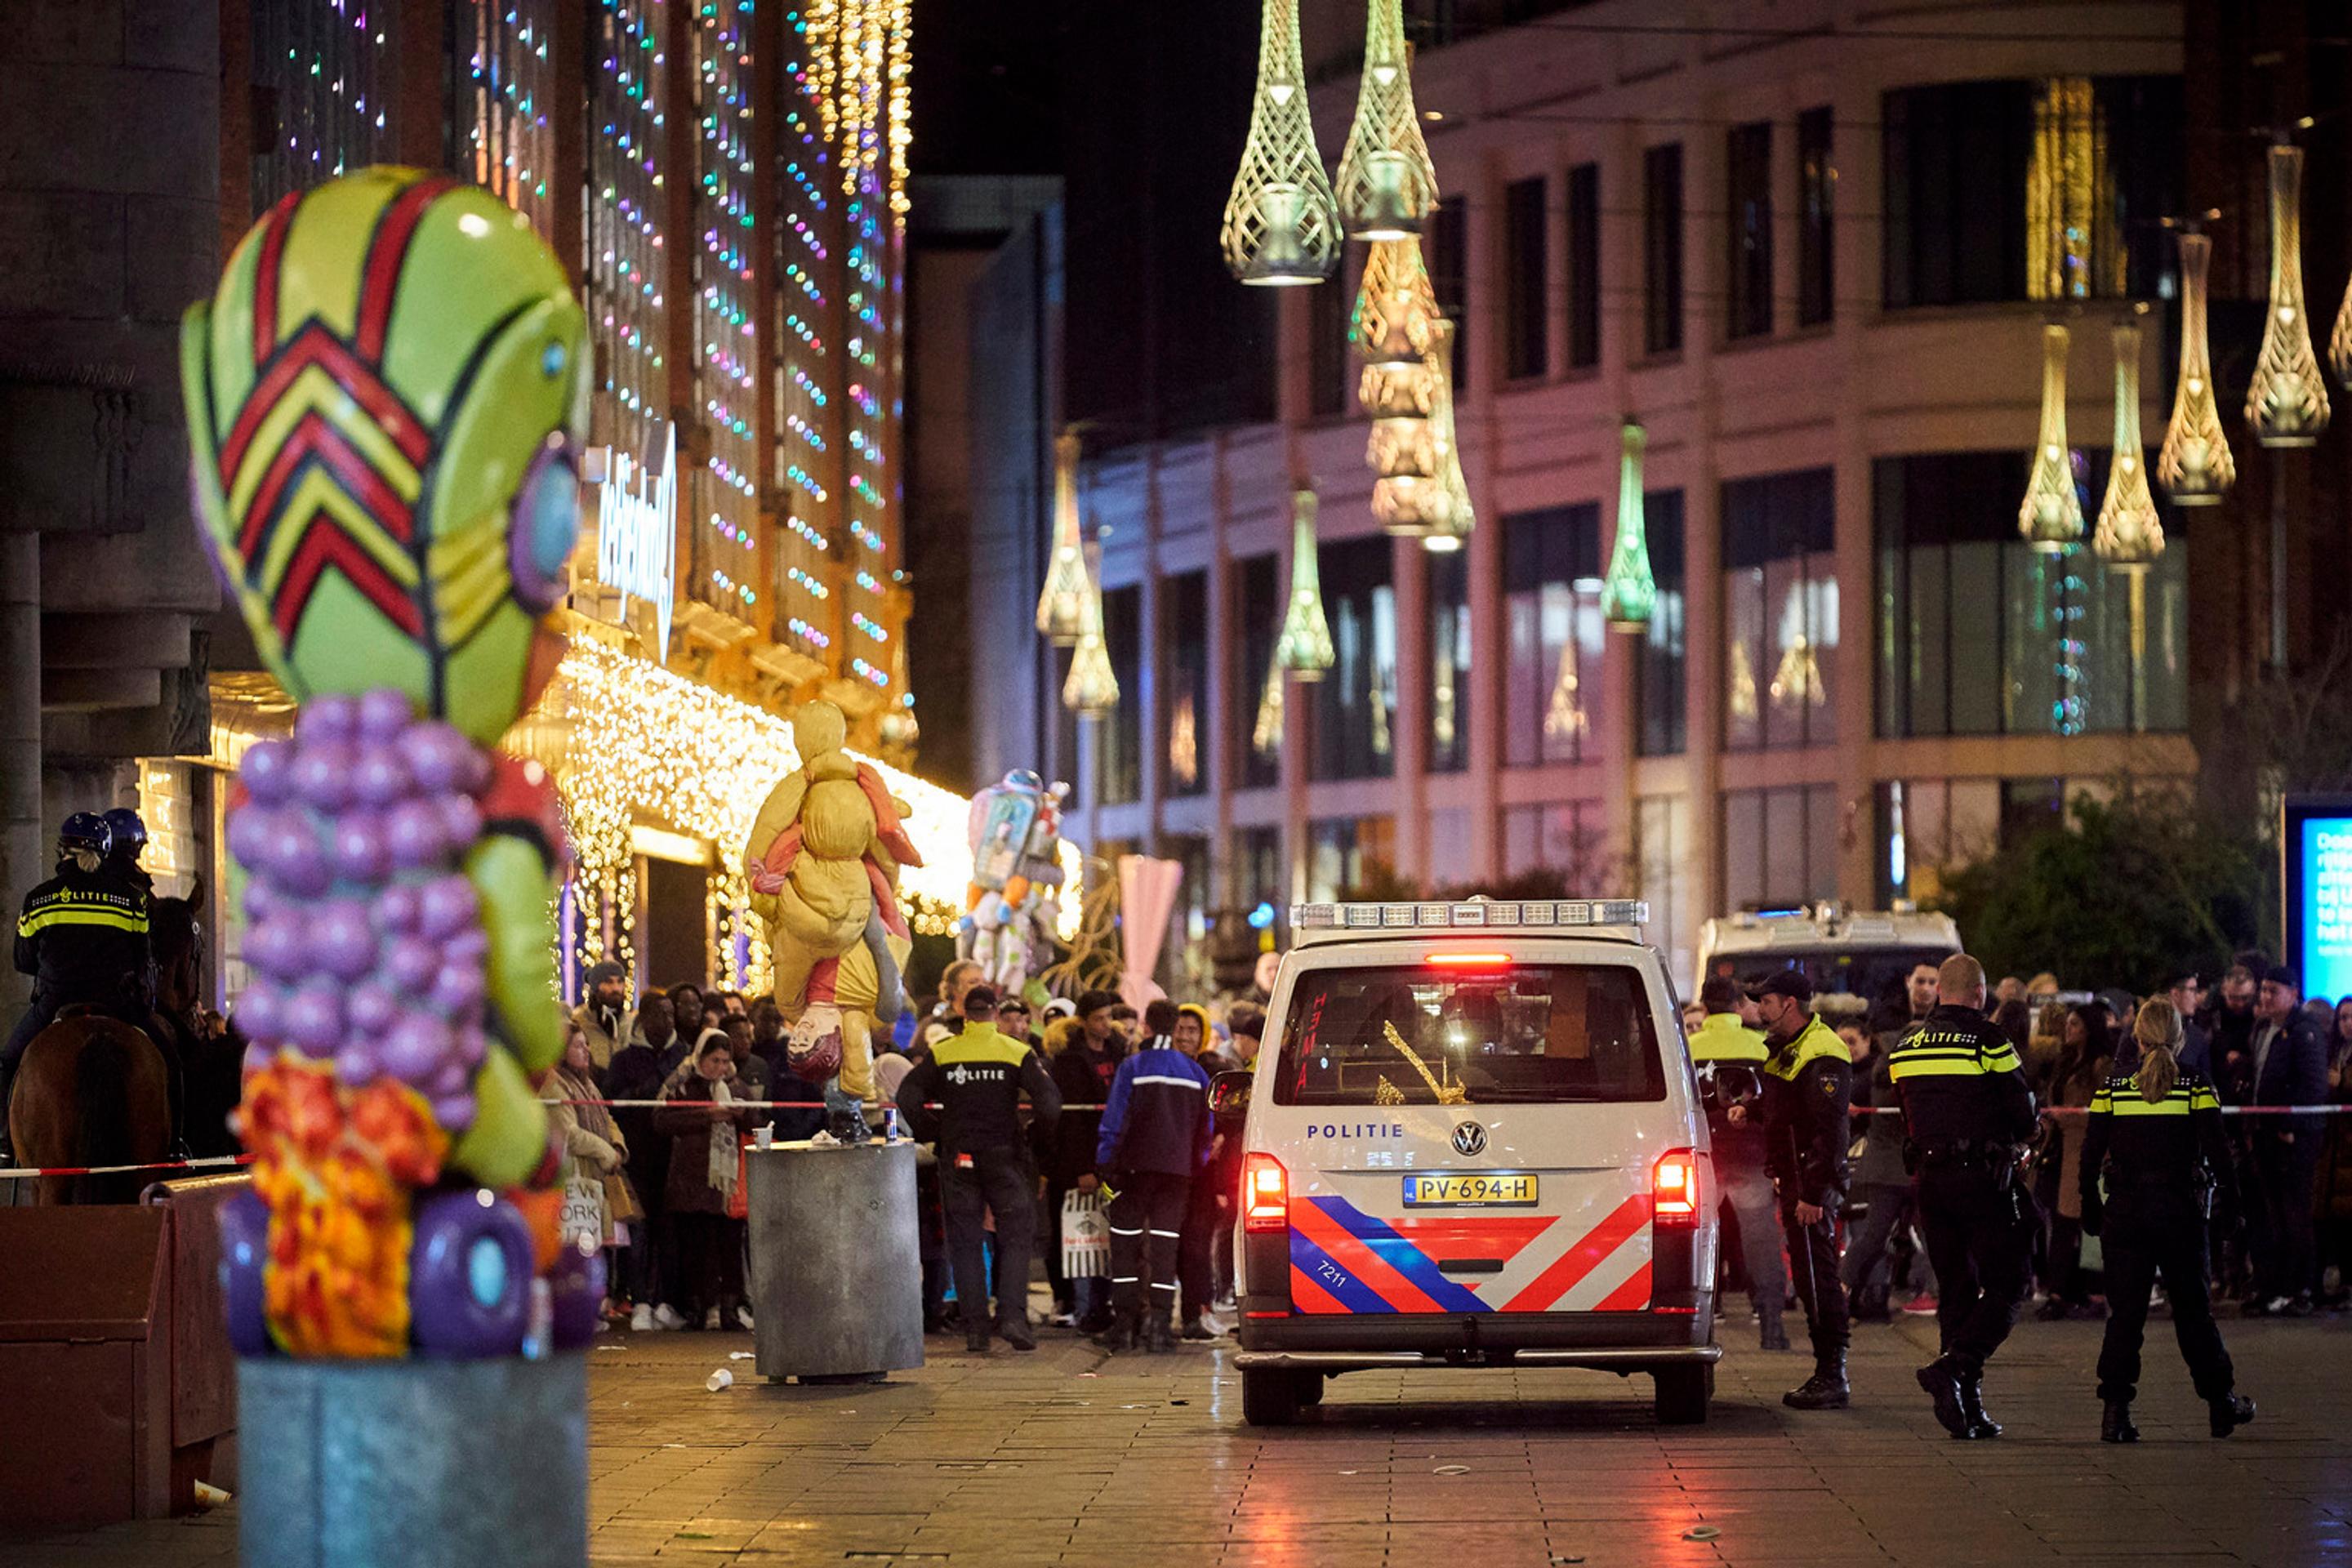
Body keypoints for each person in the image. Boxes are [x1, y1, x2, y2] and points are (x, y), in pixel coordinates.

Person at [2079, 998, 2256, 1443]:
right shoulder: (2196, 1086)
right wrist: (2233, 1210)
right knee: (2194, 1313)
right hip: (2180, 1214)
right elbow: (2220, 1153)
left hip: (2126, 1213)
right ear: (2180, 1039)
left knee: (2125, 1317)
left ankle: (2115, 1415)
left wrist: (2090, 1204)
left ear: (2136, 1038)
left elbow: (2090, 1153)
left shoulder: (2114, 1086)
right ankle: (2221, 1404)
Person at [1888, 955, 2040, 1441]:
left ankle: (1964, 1407)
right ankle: (1955, 1368)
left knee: (1955, 1288)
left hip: (1930, 1184)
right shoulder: (1992, 1041)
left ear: (1938, 992)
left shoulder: (1905, 1045)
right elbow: (2022, 1114)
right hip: (1983, 1180)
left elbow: (1908, 1107)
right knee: (2011, 1283)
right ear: (1980, 993)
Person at [896, 986, 1061, 1352]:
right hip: (1004, 1156)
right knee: (1017, 1234)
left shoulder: (944, 1053)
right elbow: (1050, 1103)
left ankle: (975, 1329)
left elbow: (907, 1097)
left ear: (965, 1014)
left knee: (966, 1240)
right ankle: (1012, 1317)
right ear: (995, 1013)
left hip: (959, 1157)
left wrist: (935, 1135)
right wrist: (1033, 1137)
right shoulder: (1015, 1052)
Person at [1, 813, 152, 1138]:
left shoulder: (39, 899)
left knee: (7, 1062)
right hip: (115, 1002)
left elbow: (23, 961)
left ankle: (4, 1140)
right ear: (105, 852)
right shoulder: (130, 900)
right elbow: (143, 961)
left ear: (62, 852)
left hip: (54, 1002)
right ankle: (173, 1143)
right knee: (168, 1060)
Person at [1752, 969, 1854, 1410]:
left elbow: (1830, 1133)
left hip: (1810, 1185)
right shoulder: (1788, 1049)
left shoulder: (1822, 1051)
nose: (1760, 1009)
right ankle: (1827, 1371)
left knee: (1818, 1278)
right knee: (1811, 1276)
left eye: (1766, 1001)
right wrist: (1749, 1110)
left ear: (1790, 1003)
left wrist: (1814, 1194)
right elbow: (1785, 1111)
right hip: (1796, 1181)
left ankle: (1833, 1374)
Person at [1094, 999, 1212, 1352]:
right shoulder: (1194, 1073)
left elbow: (1114, 1120)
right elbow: (1205, 1130)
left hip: (1133, 1172)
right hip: (1177, 1174)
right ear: (1175, 1026)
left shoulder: (1133, 1067)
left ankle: (1125, 1325)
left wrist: (1105, 1163)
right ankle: (1161, 1327)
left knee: (1126, 1245)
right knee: (1165, 1246)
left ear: (1146, 1026)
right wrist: (1195, 1164)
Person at [1688, 977, 1787, 1350]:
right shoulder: (1761, 1046)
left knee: (1697, 1239)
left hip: (1703, 1158)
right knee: (1760, 1239)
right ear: (1738, 1005)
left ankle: (1698, 1323)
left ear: (1706, 1007)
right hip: (1751, 1156)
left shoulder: (1688, 1047)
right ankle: (1772, 1327)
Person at [654, 1036, 755, 1331]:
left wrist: (742, 1113)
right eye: (715, 1061)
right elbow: (661, 1121)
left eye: (726, 1061)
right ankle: (697, 1307)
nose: (721, 1068)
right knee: (695, 1246)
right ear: (700, 1059)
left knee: (729, 1245)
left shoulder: (737, 1086)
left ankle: (729, 1308)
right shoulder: (682, 1084)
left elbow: (757, 1120)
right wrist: (707, 1116)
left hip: (727, 1182)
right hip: (692, 1180)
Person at [1846, 1009, 1938, 1327]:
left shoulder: (1883, 1069)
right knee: (1924, 1233)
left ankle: (1842, 1287)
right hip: (1904, 1167)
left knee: (1875, 1236)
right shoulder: (1911, 1076)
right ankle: (1933, 1293)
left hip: (1885, 1167)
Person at [2245, 964, 2328, 1316]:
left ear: (2293, 994)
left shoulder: (2303, 1031)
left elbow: (2313, 1087)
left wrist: (2293, 1126)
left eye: (2273, 991)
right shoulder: (2264, 1028)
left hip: (2293, 1140)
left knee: (2295, 1214)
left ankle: (2301, 1288)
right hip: (2264, 1136)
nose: (2265, 997)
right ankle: (2274, 1286)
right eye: (2263, 990)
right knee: (2271, 1215)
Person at [1045, 988, 1128, 1328]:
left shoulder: (1118, 1051)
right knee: (1079, 1232)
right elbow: (1072, 1121)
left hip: (1112, 1159)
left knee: (1109, 1229)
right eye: (1099, 1018)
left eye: (1109, 1017)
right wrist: (1082, 1168)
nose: (1106, 1024)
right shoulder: (1070, 1059)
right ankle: (1080, 1304)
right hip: (1082, 1159)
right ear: (1083, 1021)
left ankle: (1104, 1301)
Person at [605, 994, 685, 1330]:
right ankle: (639, 1301)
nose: (668, 1021)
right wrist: (656, 1082)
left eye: (671, 1014)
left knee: (669, 1232)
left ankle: (666, 1301)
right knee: (638, 1232)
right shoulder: (625, 1060)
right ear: (645, 1019)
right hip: (639, 1154)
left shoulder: (683, 1053)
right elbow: (615, 1102)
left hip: (674, 1155)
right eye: (660, 1014)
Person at [550, 1022, 637, 1325]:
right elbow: (569, 1133)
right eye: (578, 1045)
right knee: (576, 1248)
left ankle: (593, 1308)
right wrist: (605, 1151)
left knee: (595, 1246)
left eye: (586, 1044)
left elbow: (606, 1116)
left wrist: (617, 1145)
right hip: (574, 1176)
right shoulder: (554, 1084)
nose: (586, 1050)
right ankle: (576, 1313)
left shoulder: (587, 1083)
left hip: (594, 1177)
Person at [2037, 1002, 2114, 1319]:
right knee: (2063, 1223)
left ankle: (2091, 1292)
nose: (2068, 1030)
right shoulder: (2066, 1061)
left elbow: (2106, 1111)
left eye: (2075, 1025)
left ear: (2089, 1029)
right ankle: (2061, 1291)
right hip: (2062, 1149)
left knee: (2086, 1225)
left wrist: (2067, 1118)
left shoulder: (2101, 1065)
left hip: (2088, 1151)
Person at [1172, 1000, 1232, 1338]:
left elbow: (1228, 1111)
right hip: (1173, 1169)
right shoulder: (1164, 1067)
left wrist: (1219, 1138)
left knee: (1197, 1244)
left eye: (1192, 1030)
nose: (1185, 1036)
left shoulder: (1212, 1069)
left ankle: (1196, 1312)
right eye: (1179, 1029)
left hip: (1204, 1174)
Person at [572, 960, 634, 1071]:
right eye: (609, 982)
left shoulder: (632, 1022)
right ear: (596, 986)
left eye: (620, 982)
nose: (616, 988)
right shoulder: (579, 1021)